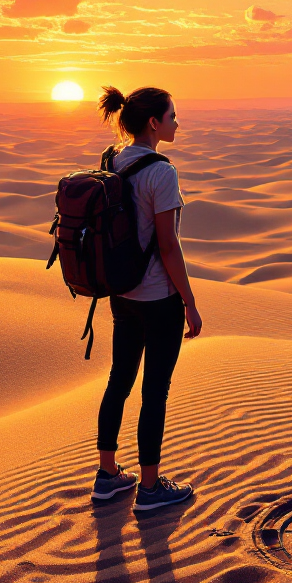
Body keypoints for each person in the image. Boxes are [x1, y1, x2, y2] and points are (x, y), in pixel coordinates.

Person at [90, 85, 202, 512]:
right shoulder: (162, 172)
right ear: (154, 122)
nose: (177, 122)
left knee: (119, 380)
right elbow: (168, 246)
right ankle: (150, 489)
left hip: (122, 293)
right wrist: (189, 302)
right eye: (173, 115)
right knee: (154, 391)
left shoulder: (113, 160)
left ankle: (108, 475)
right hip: (157, 296)